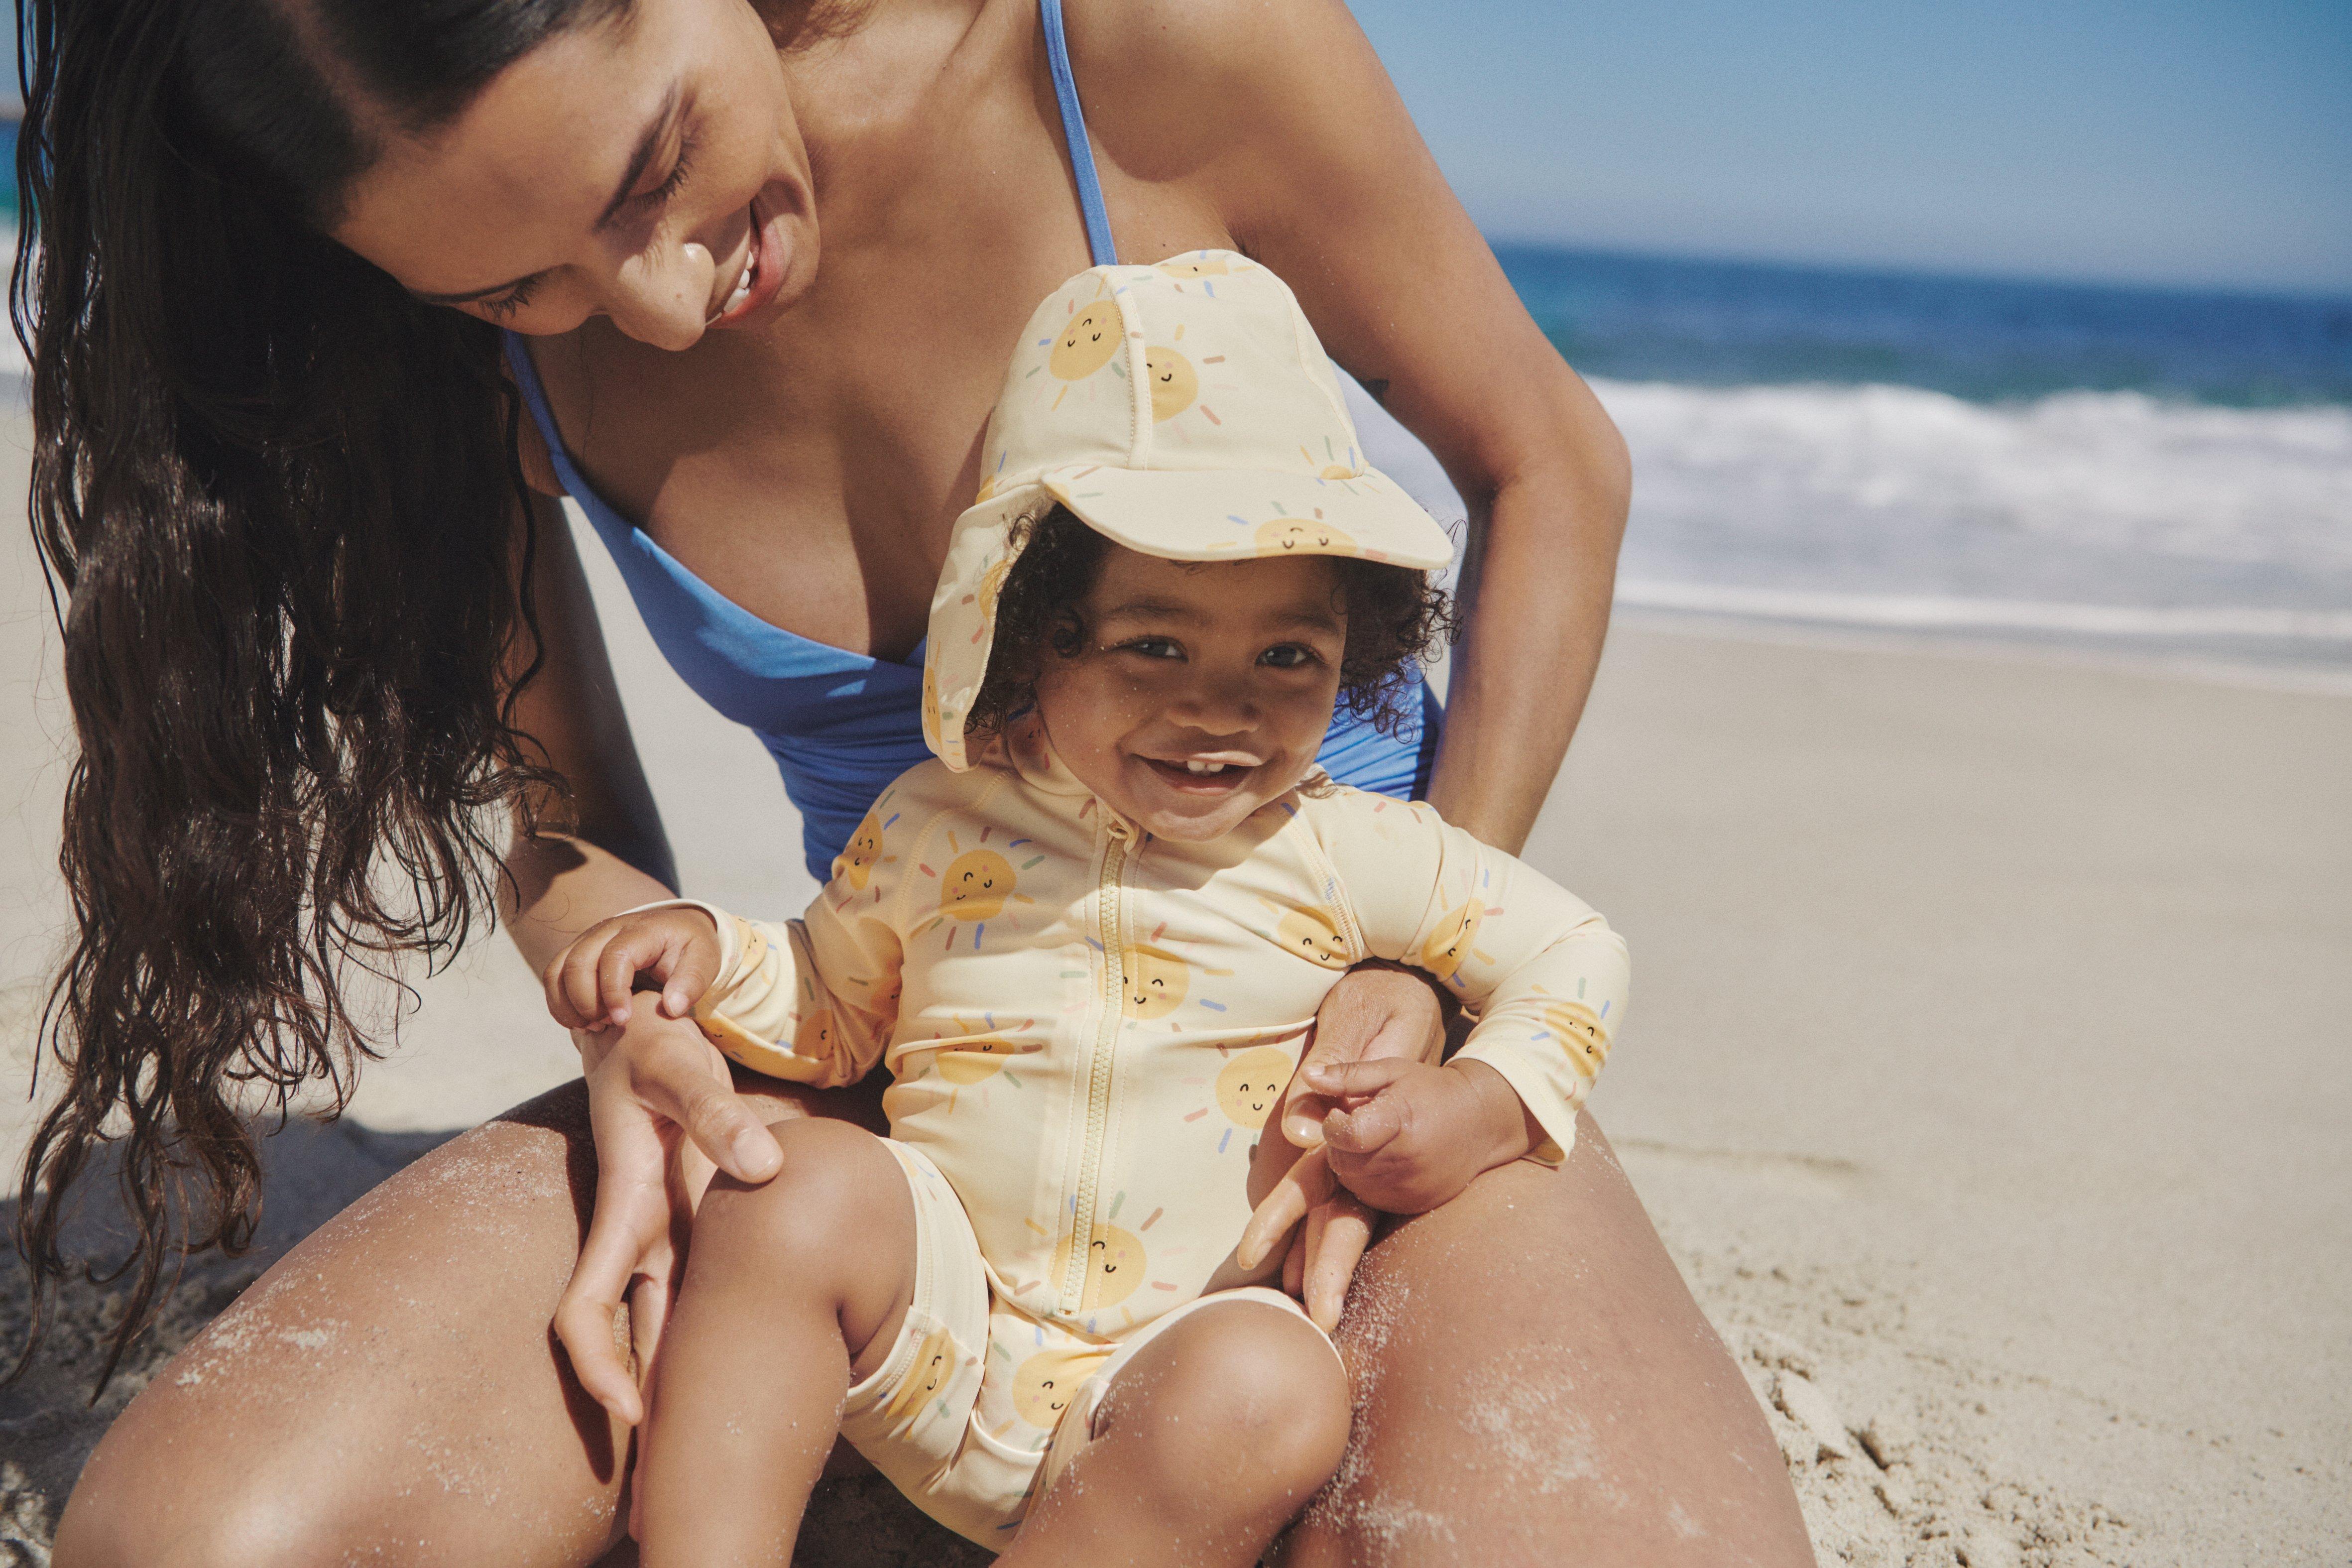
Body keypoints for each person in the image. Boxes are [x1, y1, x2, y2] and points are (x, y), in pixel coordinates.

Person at [13, 0, 1812, 1560]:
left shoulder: (1126, 55)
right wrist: (638, 1016)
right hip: (905, 1067)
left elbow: (1545, 461)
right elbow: (561, 820)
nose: (645, 306)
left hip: (1326, 1103)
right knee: (195, 1542)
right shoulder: (463, 321)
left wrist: (1405, 967)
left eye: (651, 170)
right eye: (517, 282)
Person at [545, 254, 1633, 1563]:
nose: (1221, 704)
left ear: (1357, 655)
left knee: (1272, 1390)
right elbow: (830, 1013)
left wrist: (1483, 1103)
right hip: (937, 1323)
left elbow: (1571, 949)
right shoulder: (936, 825)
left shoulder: (1356, 852)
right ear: (1027, 636)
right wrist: (706, 957)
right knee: (788, 1186)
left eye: (1287, 656)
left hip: (1165, 1376)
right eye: (1154, 646)